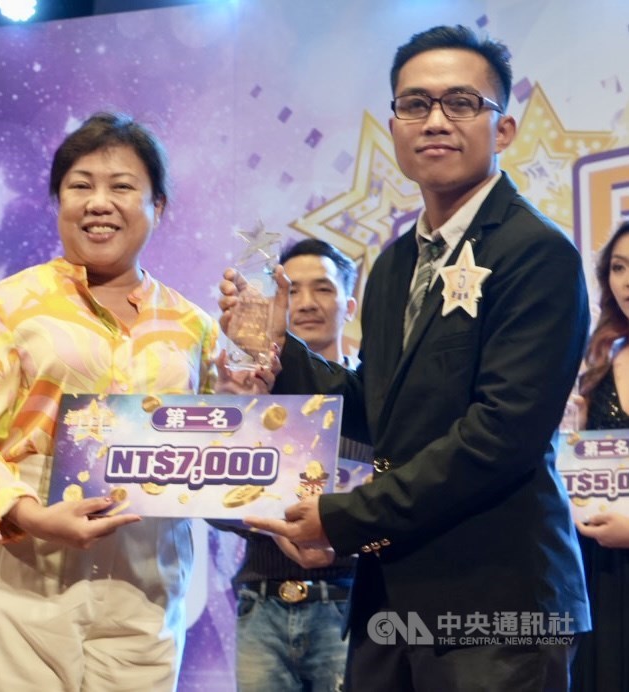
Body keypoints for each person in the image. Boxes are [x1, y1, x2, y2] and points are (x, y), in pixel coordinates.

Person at [225, 25, 591, 690]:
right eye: (413, 104)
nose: (434, 121)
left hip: (497, 600)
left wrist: (341, 519)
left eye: (460, 103)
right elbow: (378, 410)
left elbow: (500, 435)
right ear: (392, 126)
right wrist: (277, 353)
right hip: (392, 602)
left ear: (502, 130)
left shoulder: (535, 253)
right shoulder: (395, 264)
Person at [0, 112, 222, 692]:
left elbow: (217, 454)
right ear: (57, 201)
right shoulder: (10, 304)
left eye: (122, 187)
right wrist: (28, 514)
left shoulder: (193, 326)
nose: (99, 202)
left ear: (158, 206)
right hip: (27, 570)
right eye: (80, 185)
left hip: (147, 578)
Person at [228, 238, 361, 692]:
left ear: (350, 302)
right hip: (260, 604)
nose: (306, 304)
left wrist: (336, 535)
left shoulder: (375, 393)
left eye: (322, 289)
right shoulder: (250, 386)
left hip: (351, 604)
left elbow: (392, 489)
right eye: (293, 290)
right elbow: (209, 502)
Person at [570, 220, 629, 691]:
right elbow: (578, 463)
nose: (626, 280)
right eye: (618, 267)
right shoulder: (600, 360)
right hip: (602, 563)